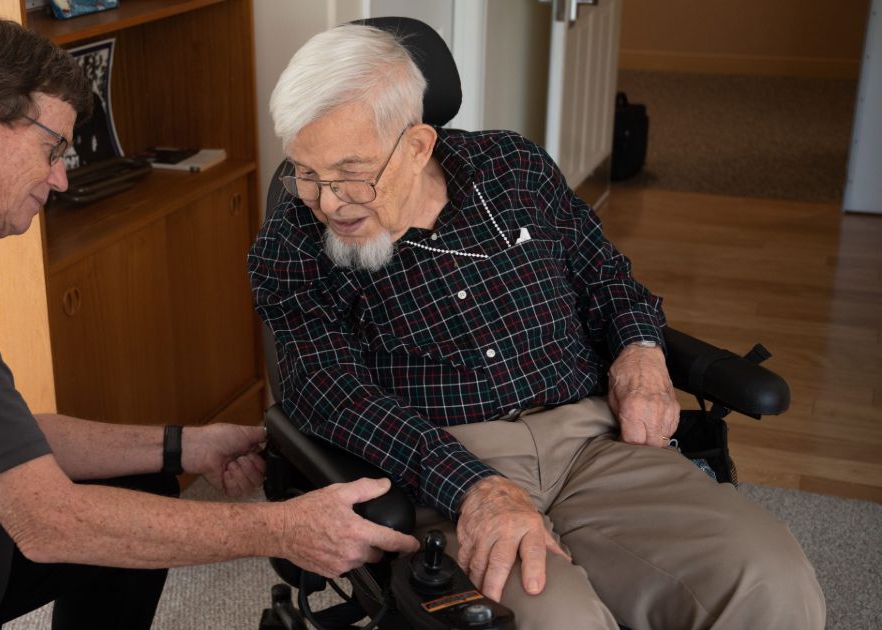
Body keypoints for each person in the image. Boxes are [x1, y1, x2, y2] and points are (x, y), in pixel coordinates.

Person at [0, 17, 418, 630]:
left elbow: (6, 438)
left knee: (143, 486)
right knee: (86, 523)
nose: (61, 179)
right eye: (52, 149)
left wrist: (186, 446)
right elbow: (46, 521)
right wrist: (283, 529)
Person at [249, 23, 825, 630]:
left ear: (417, 145)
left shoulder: (513, 168)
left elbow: (605, 276)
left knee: (769, 581)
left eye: (351, 173)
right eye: (306, 172)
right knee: (553, 620)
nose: (329, 202)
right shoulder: (294, 238)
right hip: (440, 467)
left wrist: (639, 349)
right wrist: (473, 485)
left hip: (595, 444)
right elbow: (326, 389)